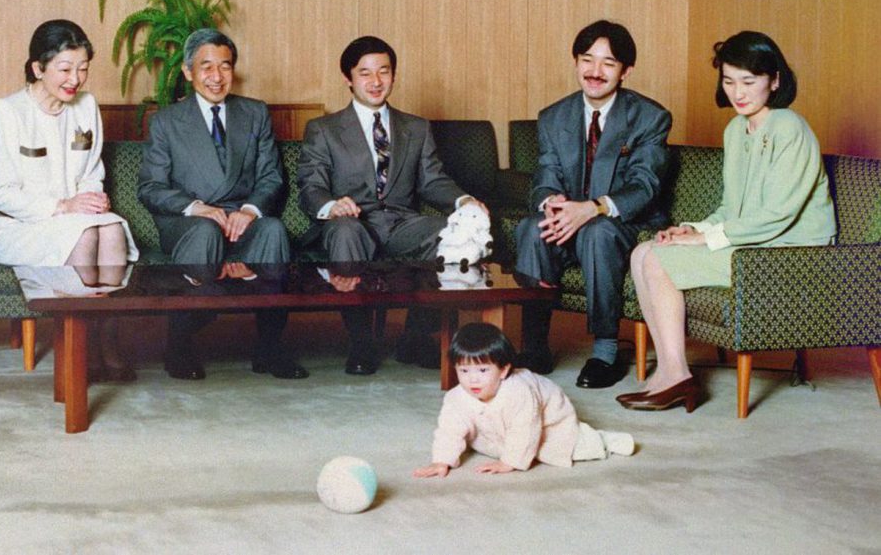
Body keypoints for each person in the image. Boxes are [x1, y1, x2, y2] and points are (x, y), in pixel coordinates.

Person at [618, 31, 836, 412]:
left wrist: (708, 240)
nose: (739, 92)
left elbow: (777, 215)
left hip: (793, 252)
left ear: (775, 81)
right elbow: (732, 208)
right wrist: (694, 229)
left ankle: (675, 376)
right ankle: (671, 371)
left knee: (656, 260)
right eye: (729, 80)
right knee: (643, 252)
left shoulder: (790, 127)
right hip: (755, 244)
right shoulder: (736, 130)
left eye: (749, 81)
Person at [296, 36, 486, 375]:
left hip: (401, 224)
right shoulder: (323, 129)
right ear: (348, 78)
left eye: (383, 72)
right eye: (365, 73)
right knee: (346, 233)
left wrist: (464, 200)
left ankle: (415, 337)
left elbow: (433, 180)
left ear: (394, 76)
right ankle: (360, 341)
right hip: (351, 222)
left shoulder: (416, 127)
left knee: (451, 232)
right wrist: (330, 205)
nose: (375, 81)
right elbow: (310, 187)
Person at [137, 29, 307, 381]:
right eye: (206, 67)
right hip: (188, 221)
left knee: (273, 230)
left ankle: (270, 347)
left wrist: (250, 211)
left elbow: (271, 177)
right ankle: (180, 344)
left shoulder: (255, 113)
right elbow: (150, 187)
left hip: (242, 216)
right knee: (204, 231)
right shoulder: (166, 121)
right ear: (188, 72)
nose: (216, 77)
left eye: (225, 67)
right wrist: (195, 206)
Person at [514, 20, 671, 389]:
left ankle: (605, 351)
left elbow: (644, 186)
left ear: (626, 71)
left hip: (625, 224)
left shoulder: (650, 117)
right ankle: (534, 345)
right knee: (531, 229)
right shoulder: (553, 117)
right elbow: (545, 175)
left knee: (597, 233)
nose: (595, 72)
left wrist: (594, 207)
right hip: (571, 219)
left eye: (608, 63)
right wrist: (551, 202)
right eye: (587, 60)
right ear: (575, 62)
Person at [0, 19, 140, 381]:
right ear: (38, 68)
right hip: (21, 224)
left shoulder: (86, 106)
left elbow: (91, 170)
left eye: (83, 69)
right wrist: (63, 207)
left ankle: (106, 340)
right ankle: (78, 347)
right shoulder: (8, 112)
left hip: (75, 216)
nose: (75, 79)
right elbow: (1, 193)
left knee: (112, 228)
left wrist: (92, 199)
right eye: (65, 69)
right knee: (84, 235)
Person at [413, 323, 634, 478]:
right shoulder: (457, 396)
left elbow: (525, 428)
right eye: (464, 370)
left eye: (482, 369)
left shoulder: (519, 392)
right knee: (474, 435)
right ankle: (505, 445)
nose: (472, 378)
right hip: (500, 426)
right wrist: (441, 460)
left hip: (550, 422)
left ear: (503, 370)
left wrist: (510, 461)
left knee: (570, 447)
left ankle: (604, 439)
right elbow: (448, 430)